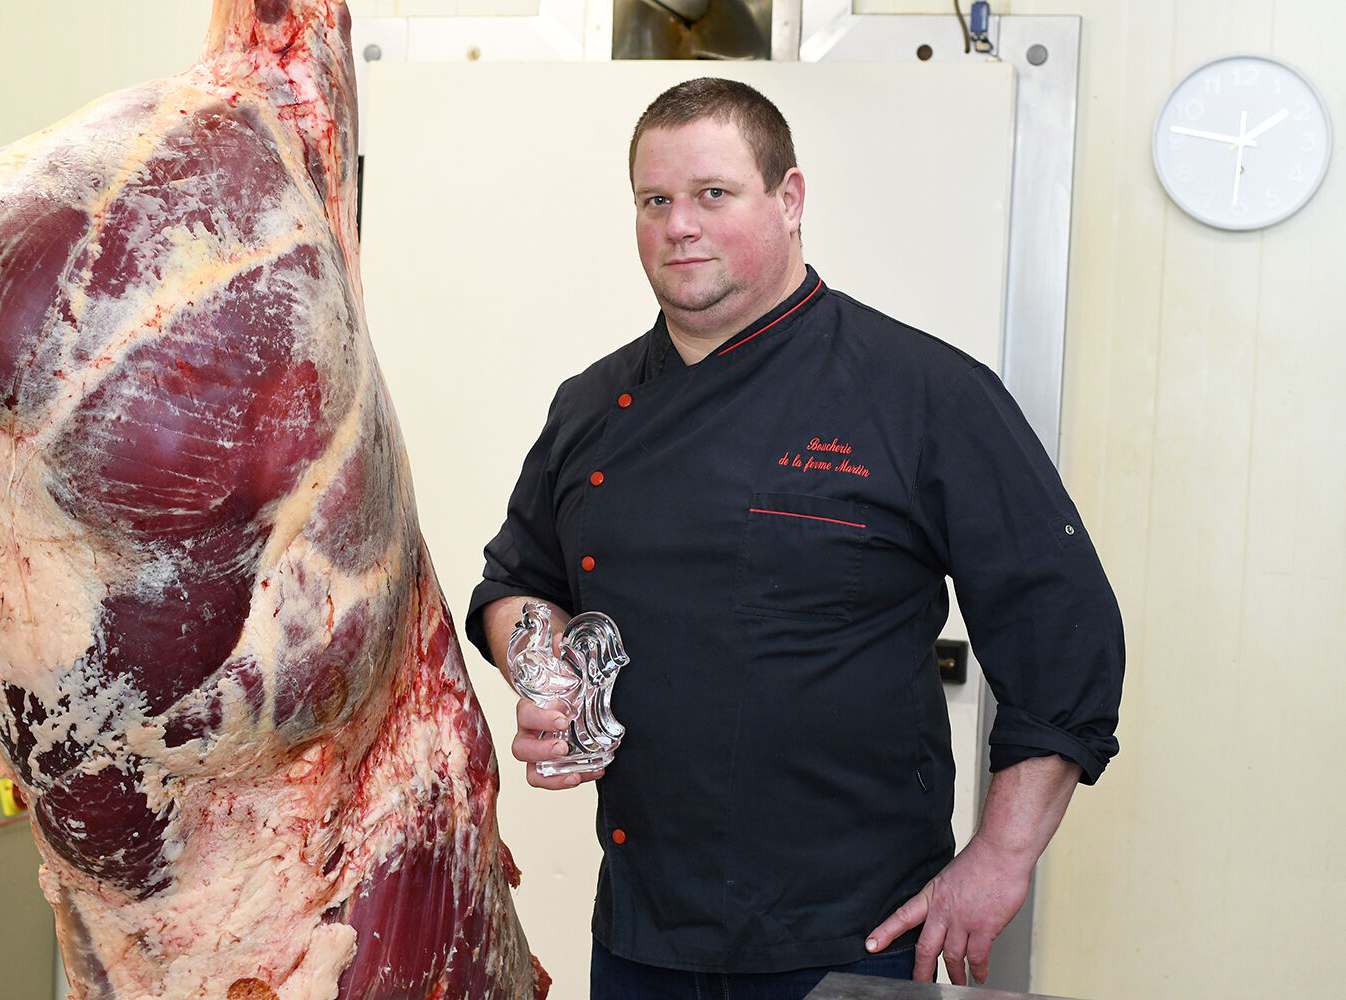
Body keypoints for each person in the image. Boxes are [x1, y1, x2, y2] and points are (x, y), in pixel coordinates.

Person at [464, 77, 1123, 1000]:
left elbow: (1063, 636)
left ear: (791, 198)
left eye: (713, 194)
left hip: (855, 936)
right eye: (655, 201)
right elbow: (513, 583)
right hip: (643, 930)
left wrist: (1002, 858)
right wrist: (540, 665)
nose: (678, 225)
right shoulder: (589, 406)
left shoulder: (923, 392)